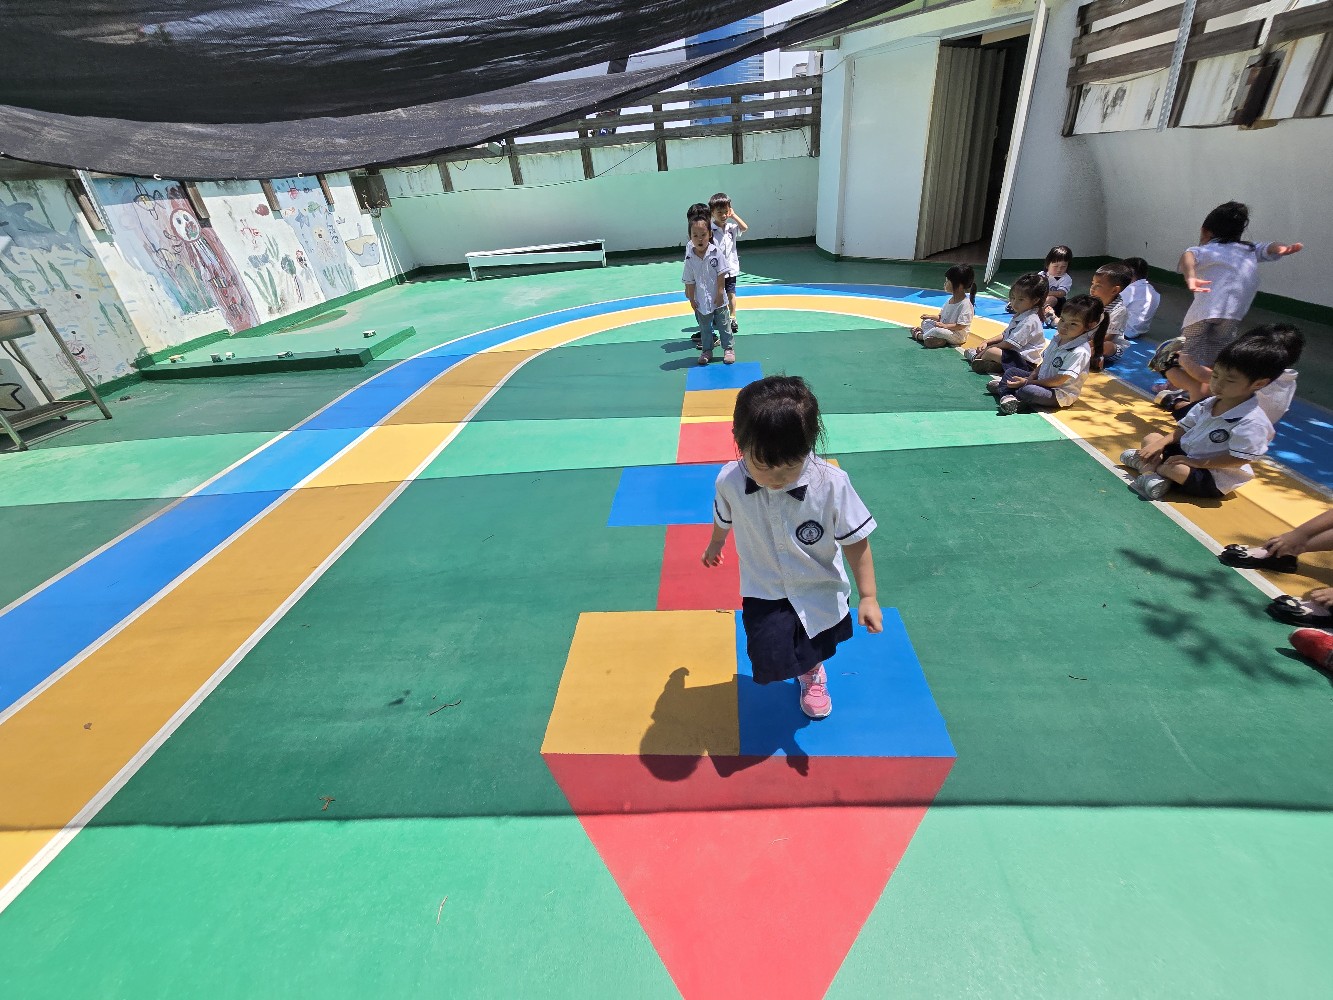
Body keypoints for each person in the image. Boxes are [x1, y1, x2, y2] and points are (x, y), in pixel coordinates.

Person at [702, 376, 881, 720]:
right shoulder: (729, 481)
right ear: (739, 440)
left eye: (790, 467)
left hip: (818, 586)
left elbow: (856, 540)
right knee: (767, 651)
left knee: (814, 643)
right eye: (764, 467)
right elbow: (724, 515)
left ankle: (812, 674)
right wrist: (715, 543)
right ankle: (804, 668)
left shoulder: (831, 484)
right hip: (763, 586)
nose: (777, 479)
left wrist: (869, 596)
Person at [1166, 201, 1302, 403]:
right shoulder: (1248, 249)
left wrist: (1191, 277)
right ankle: (1210, 387)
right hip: (1231, 315)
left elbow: (1188, 257)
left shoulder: (1205, 250)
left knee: (1185, 354)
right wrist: (1281, 248)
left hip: (1202, 313)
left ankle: (1185, 386)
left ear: (1205, 231)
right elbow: (1269, 247)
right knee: (1216, 355)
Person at [1119, 336, 1282, 500]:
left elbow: (1238, 459)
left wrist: (1197, 463)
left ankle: (1148, 469)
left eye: (1229, 380)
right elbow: (1184, 428)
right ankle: (1155, 473)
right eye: (1215, 376)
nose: (1217, 384)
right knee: (1153, 438)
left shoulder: (1253, 422)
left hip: (1210, 473)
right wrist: (1161, 444)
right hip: (1186, 453)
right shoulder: (1210, 403)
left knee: (1175, 469)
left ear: (1258, 384)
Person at [1161, 323, 1303, 425]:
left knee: (1199, 385)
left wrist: (1184, 361)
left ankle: (1164, 369)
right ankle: (1177, 402)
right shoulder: (1289, 379)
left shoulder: (1248, 372)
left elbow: (1202, 376)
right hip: (1259, 423)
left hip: (1221, 425)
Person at [987, 294, 1104, 415]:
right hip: (1041, 380)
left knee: (1029, 391)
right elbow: (1045, 362)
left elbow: (1058, 381)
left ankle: (1007, 389)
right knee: (1012, 372)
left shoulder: (1080, 351)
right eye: (1062, 320)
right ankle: (1008, 394)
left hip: (1058, 393)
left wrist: (1027, 382)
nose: (1064, 326)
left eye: (1073, 324)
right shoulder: (1058, 338)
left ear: (1089, 325)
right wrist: (1030, 377)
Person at [963, 272, 1048, 375]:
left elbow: (1009, 343)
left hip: (1024, 363)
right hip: (1012, 355)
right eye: (1013, 298)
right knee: (990, 347)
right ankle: (997, 365)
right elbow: (1004, 335)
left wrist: (990, 348)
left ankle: (977, 358)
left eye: (1021, 300)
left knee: (991, 351)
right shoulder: (1021, 315)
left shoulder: (1030, 321)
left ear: (1035, 300)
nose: (1014, 303)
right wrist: (987, 341)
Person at [683, 216, 732, 365]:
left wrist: (720, 292)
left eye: (703, 235)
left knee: (723, 324)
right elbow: (690, 281)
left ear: (710, 234)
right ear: (690, 237)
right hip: (701, 300)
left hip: (718, 298)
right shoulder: (690, 258)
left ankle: (728, 348)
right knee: (705, 327)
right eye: (695, 235)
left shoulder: (716, 252)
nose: (700, 239)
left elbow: (721, 274)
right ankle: (707, 350)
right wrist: (692, 299)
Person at [710, 193, 748, 335]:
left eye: (726, 211)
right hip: (716, 271)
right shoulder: (710, 230)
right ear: (712, 213)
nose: (723, 215)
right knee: (717, 295)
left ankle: (732, 317)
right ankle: (718, 316)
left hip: (731, 269)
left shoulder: (731, 228)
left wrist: (734, 215)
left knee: (731, 293)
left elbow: (744, 228)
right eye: (719, 212)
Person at [910, 264, 976, 347]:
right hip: (945, 329)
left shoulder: (965, 304)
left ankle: (920, 336)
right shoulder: (950, 300)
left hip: (957, 335)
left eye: (948, 281)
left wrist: (945, 326)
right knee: (926, 322)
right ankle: (937, 339)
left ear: (959, 285)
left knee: (937, 331)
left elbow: (961, 326)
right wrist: (930, 316)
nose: (945, 284)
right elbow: (941, 317)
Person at [1088, 261, 1133, 370]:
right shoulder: (1092, 302)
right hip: (1088, 339)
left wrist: (1086, 344)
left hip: (1107, 344)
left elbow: (1109, 337)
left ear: (1114, 290)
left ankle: (1096, 357)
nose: (1092, 288)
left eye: (1098, 286)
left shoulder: (1119, 311)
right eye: (1092, 283)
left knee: (1107, 346)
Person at [1120, 256, 1160, 341]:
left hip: (1125, 332)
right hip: (1140, 331)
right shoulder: (1152, 290)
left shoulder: (1130, 290)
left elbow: (1111, 306)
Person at [1040, 245, 1074, 324]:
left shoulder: (1065, 278)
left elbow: (1061, 293)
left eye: (1063, 266)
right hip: (1042, 300)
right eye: (1055, 266)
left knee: (1051, 299)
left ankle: (1043, 314)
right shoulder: (1042, 275)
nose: (1059, 269)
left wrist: (1045, 292)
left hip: (1058, 303)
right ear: (1047, 265)